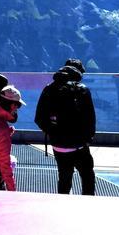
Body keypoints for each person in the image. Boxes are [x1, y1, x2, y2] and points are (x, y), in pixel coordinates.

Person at [34, 59, 97, 196]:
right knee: (87, 176)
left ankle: (62, 205)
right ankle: (90, 204)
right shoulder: (82, 89)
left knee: (64, 177)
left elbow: (39, 118)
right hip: (78, 145)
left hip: (58, 145)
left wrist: (53, 133)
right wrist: (86, 139)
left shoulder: (48, 88)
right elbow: (90, 119)